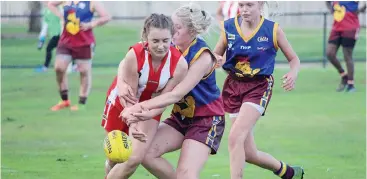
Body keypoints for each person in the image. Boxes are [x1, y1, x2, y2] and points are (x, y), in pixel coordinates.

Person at [120, 3, 226, 179]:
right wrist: (122, 84)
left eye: (177, 27)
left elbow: (175, 94)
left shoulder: (203, 56)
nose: (171, 31)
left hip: (205, 120)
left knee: (186, 174)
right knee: (146, 154)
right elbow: (129, 58)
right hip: (181, 117)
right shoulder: (168, 46)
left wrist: (138, 108)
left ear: (192, 31)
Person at [214, 1, 304, 179]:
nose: (245, 9)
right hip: (233, 87)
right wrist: (216, 60)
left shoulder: (272, 30)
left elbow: (294, 59)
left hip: (258, 87)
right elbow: (215, 55)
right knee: (248, 153)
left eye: (250, 5)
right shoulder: (229, 27)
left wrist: (293, 73)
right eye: (242, 5)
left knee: (234, 138)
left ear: (260, 5)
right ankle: (289, 172)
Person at [103, 14, 188, 179]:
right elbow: (128, 94)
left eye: (165, 40)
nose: (161, 46)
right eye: (155, 41)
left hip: (151, 107)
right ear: (145, 37)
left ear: (173, 36)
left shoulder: (180, 65)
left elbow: (164, 99)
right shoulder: (134, 55)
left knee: (133, 158)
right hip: (123, 103)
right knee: (116, 157)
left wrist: (142, 118)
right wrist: (132, 122)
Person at [47, 1, 111, 111]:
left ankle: (81, 103)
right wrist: (61, 16)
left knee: (84, 71)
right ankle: (64, 100)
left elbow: (107, 17)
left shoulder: (92, 2)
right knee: (59, 68)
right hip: (66, 41)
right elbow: (51, 4)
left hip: (84, 42)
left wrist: (91, 24)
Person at [325, 1, 366, 92]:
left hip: (350, 27)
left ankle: (351, 84)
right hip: (336, 27)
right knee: (329, 53)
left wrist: (361, 10)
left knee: (347, 55)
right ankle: (344, 76)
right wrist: (331, 9)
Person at [35, 1, 62, 72]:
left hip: (59, 34)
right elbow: (45, 26)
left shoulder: (58, 9)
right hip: (53, 34)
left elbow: (62, 20)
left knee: (49, 48)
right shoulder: (45, 11)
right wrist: (41, 39)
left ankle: (45, 67)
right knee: (50, 49)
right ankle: (74, 65)